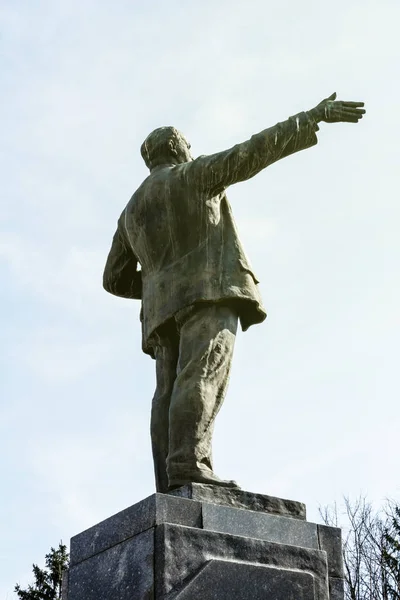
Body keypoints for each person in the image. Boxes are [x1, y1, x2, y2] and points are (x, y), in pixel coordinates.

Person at [103, 92, 365, 493]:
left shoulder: (131, 210)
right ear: (178, 148)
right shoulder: (192, 175)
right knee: (201, 373)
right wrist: (311, 116)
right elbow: (252, 152)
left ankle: (170, 480)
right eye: (188, 147)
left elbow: (113, 278)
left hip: (160, 311)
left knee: (166, 391)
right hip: (208, 290)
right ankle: (188, 466)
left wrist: (158, 284)